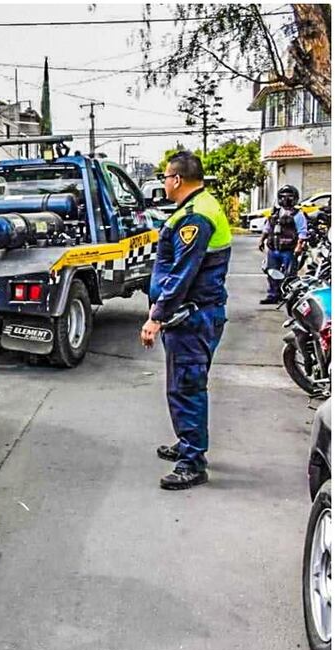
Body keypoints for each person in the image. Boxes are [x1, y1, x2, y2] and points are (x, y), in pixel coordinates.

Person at [140, 151, 232, 490]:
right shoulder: (201, 205)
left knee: (186, 388)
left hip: (190, 317)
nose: (163, 183)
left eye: (165, 177)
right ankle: (187, 441)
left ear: (177, 179)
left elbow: (182, 274)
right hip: (198, 314)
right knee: (186, 384)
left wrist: (157, 317)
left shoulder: (195, 218)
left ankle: (193, 461)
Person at [259, 184, 308, 304]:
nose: (286, 199)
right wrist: (261, 240)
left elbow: (302, 232)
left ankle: (288, 296)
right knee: (272, 273)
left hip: (289, 250)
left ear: (294, 198)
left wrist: (299, 246)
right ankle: (273, 295)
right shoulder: (275, 212)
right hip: (273, 249)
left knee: (289, 274)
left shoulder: (298, 214)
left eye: (289, 197)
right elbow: (268, 227)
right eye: (284, 196)